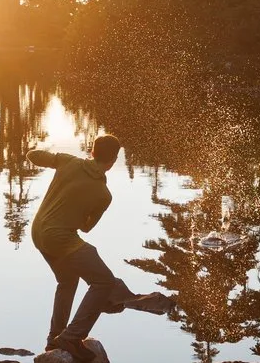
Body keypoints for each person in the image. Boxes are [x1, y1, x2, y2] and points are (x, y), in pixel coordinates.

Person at [28, 134, 173, 351]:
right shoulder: (104, 194)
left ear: (92, 151)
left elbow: (33, 155)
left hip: (38, 233)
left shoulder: (68, 161)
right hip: (60, 239)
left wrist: (56, 160)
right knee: (103, 282)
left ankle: (54, 338)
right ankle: (72, 337)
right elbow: (86, 227)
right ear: (114, 160)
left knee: (67, 283)